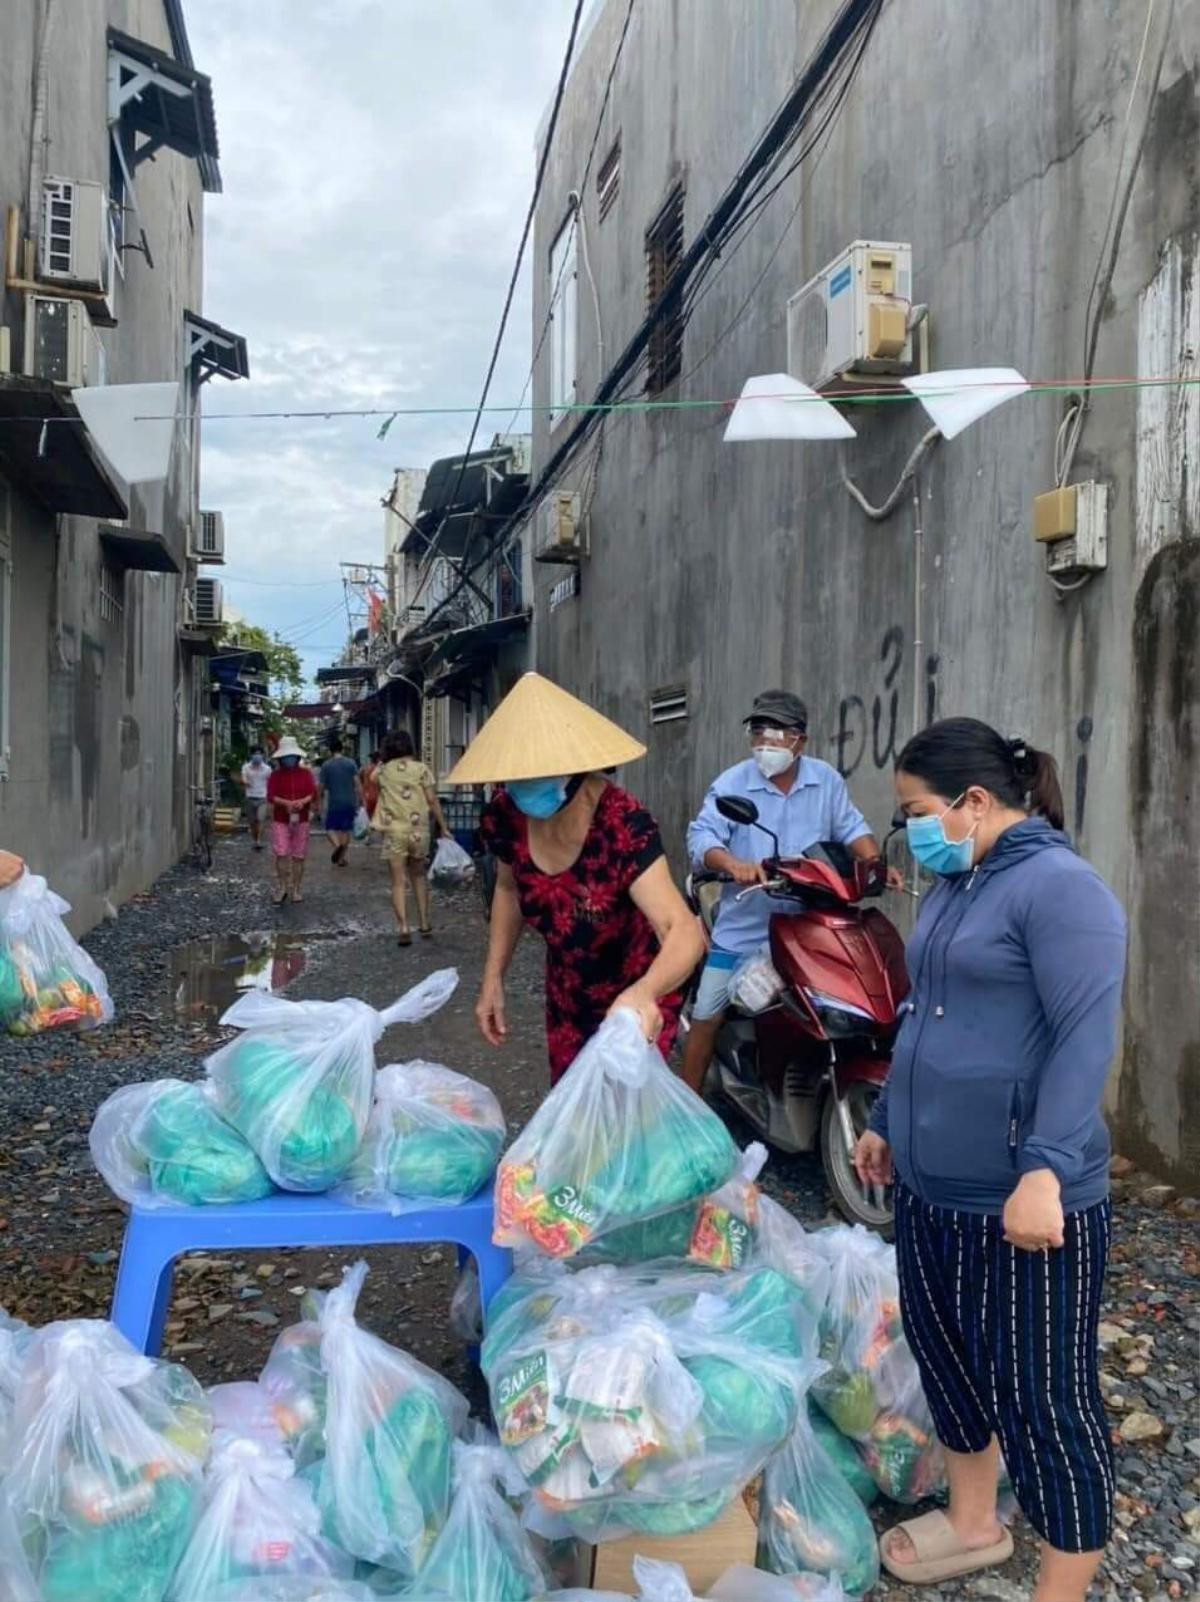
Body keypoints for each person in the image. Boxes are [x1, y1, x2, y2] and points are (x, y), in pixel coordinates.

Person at [854, 718, 1126, 1602]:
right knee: (950, 1363)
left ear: (974, 803)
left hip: (1026, 1206)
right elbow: (920, 1013)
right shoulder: (952, 886)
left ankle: (1061, 1588)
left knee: (1048, 1403)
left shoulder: (1061, 890)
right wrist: (889, 1116)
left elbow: (1087, 1035)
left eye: (916, 812)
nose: (910, 833)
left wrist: (1045, 1167)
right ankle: (974, 1524)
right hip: (934, 1194)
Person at [453, 671, 707, 1085]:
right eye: (514, 777)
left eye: (533, 776)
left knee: (627, 1112)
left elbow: (682, 930)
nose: (520, 788)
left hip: (640, 986)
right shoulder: (506, 813)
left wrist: (643, 993)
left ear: (573, 771)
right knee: (575, 1107)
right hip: (569, 991)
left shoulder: (622, 824)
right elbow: (507, 888)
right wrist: (493, 976)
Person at [681, 689, 897, 1092]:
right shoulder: (733, 783)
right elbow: (702, 838)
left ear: (800, 740)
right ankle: (686, 1106)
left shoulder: (825, 781)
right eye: (758, 729)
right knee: (709, 1011)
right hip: (746, 926)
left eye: (776, 731)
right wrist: (731, 864)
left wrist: (876, 867)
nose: (765, 740)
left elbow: (851, 828)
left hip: (808, 922)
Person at [373, 729, 452, 945]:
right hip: (419, 831)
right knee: (418, 876)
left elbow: (372, 780)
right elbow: (432, 799)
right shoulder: (421, 769)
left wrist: (383, 761)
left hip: (394, 831)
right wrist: (443, 827)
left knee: (398, 881)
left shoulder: (383, 771)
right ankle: (425, 923)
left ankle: (403, 926)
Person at [266, 736, 317, 905]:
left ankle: (296, 889)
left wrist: (303, 802)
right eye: (286, 757)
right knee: (281, 854)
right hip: (281, 819)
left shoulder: (306, 774)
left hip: (301, 819)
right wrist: (286, 803)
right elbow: (271, 796)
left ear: (297, 756)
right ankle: (282, 887)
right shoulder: (275, 775)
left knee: (298, 856)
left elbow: (311, 793)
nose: (290, 760)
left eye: (292, 756)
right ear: (281, 758)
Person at [318, 737, 362, 866]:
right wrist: (362, 800)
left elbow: (320, 786)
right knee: (345, 830)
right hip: (349, 801)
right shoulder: (351, 763)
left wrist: (317, 801)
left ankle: (337, 846)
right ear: (342, 749)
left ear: (330, 751)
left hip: (334, 802)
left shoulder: (326, 765)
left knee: (330, 828)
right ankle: (341, 858)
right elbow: (358, 784)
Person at [239, 747, 271, 851]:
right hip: (250, 797)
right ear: (251, 755)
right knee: (252, 822)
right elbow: (243, 778)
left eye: (259, 754)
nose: (257, 756)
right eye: (255, 754)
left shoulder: (267, 769)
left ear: (262, 755)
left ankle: (258, 841)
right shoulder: (246, 767)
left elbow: (271, 782)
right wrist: (245, 782)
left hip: (262, 797)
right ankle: (254, 840)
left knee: (260, 819)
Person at [362, 749, 382, 820]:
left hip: (368, 796)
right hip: (377, 796)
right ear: (378, 759)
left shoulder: (366, 769)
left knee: (369, 819)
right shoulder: (379, 770)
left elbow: (364, 784)